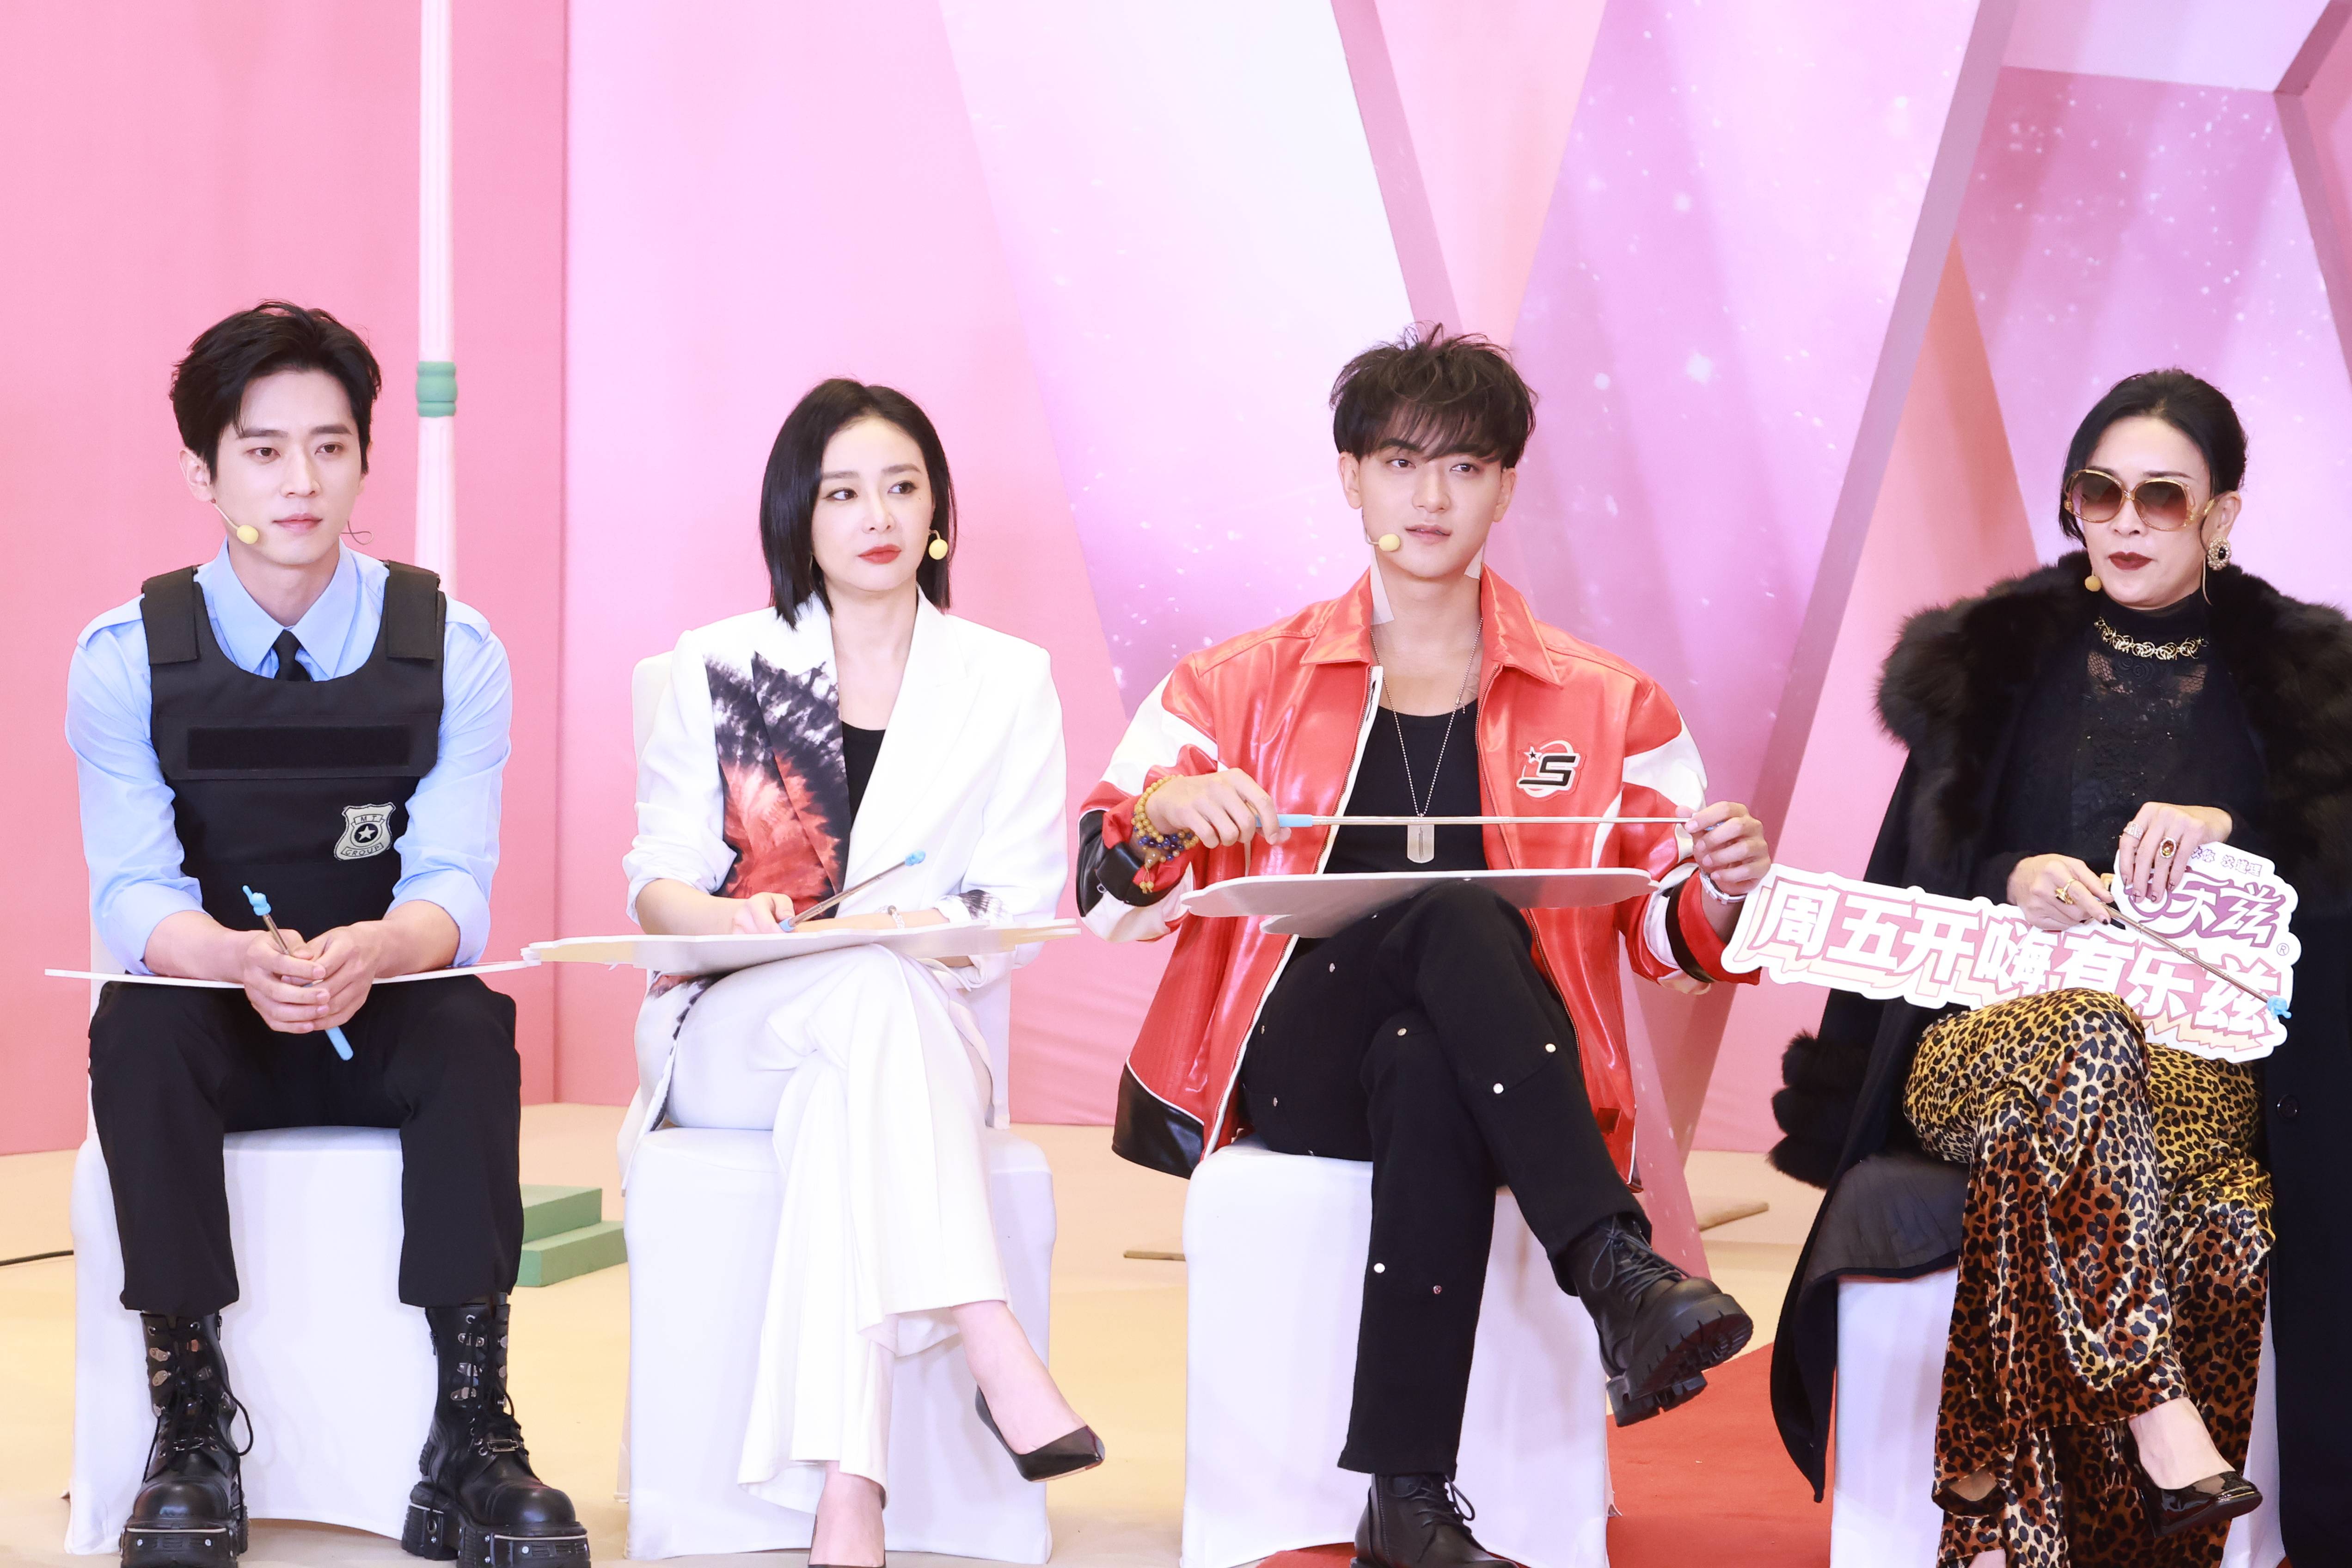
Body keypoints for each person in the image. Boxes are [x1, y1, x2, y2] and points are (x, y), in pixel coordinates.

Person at [1076, 327, 1771, 1568]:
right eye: (1401, 463)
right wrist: (1166, 814)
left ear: (1507, 486)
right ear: (1352, 478)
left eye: (1465, 466)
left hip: (1487, 1061)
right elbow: (1101, 897)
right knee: (1453, 910)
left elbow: (1666, 941)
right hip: (1293, 1058)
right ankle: (1611, 1262)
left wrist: (1720, 888)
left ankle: (1408, 1505)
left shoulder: (1610, 702)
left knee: (1427, 1057)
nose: (1431, 496)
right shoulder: (1235, 683)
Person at [1766, 368, 2352, 1568]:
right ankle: (2158, 1413)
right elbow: (1913, 871)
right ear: (2073, 503)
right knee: (2084, 1034)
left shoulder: (2307, 689)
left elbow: (2333, 889)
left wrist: (2233, 834)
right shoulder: (1991, 665)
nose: (2127, 522)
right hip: (1985, 1047)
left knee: (2211, 1194)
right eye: (2100, 492)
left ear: (2222, 516)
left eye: (2162, 497)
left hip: (2195, 1065)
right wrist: (2008, 875)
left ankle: (2001, 1490)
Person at [69, 302, 584, 1568]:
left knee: (472, 1026)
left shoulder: (454, 648)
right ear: (204, 472)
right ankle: (192, 1421)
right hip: (215, 1012)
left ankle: (472, 1428)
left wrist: (381, 949)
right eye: (262, 451)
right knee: (138, 1030)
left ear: (364, 458)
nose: (299, 482)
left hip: (382, 1004)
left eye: (330, 446)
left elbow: (454, 881)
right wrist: (233, 957)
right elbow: (132, 893)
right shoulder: (124, 657)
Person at [623, 379, 1097, 1568]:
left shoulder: (1006, 677)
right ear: (800, 515)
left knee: (865, 1035)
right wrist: (735, 916)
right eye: (842, 493)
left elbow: (1013, 903)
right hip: (733, 1028)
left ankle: (852, 1487)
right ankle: (988, 1329)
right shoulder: (725, 663)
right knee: (866, 993)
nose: (876, 515)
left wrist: (886, 928)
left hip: (917, 1027)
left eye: (901, 486)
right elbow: (656, 887)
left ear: (937, 511)